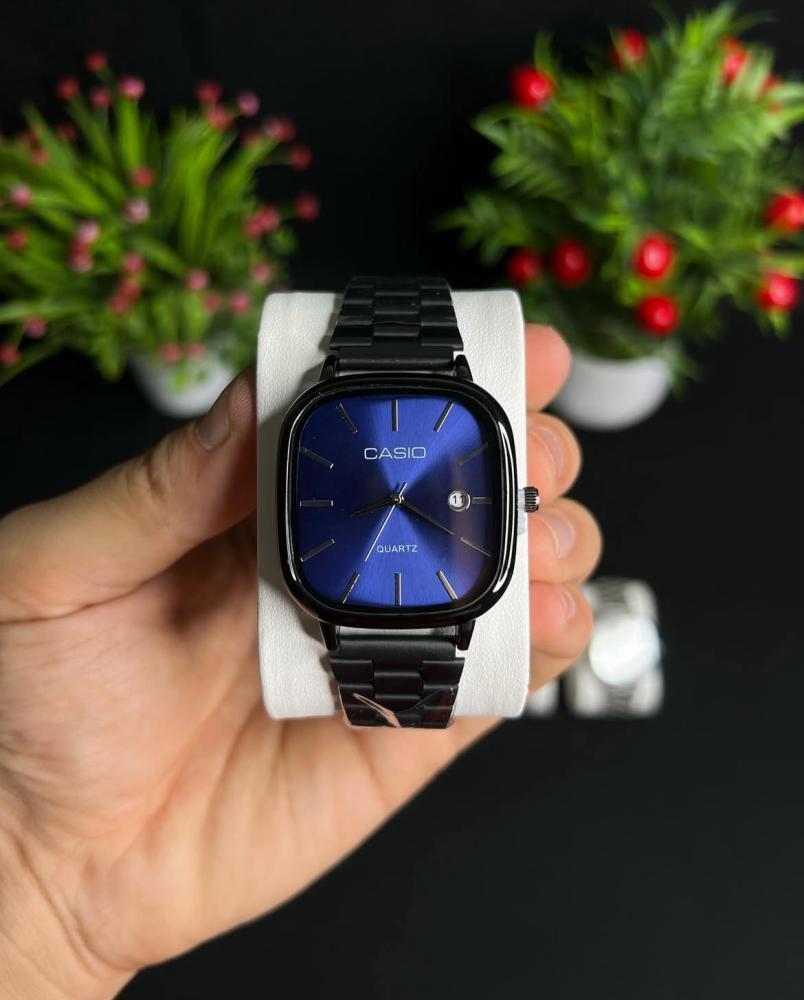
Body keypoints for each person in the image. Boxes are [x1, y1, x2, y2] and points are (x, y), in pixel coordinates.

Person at [0, 324, 600, 998]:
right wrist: (43, 896)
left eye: (404, 493)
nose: (397, 496)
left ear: (518, 499)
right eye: (392, 492)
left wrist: (53, 913)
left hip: (414, 598)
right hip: (350, 602)